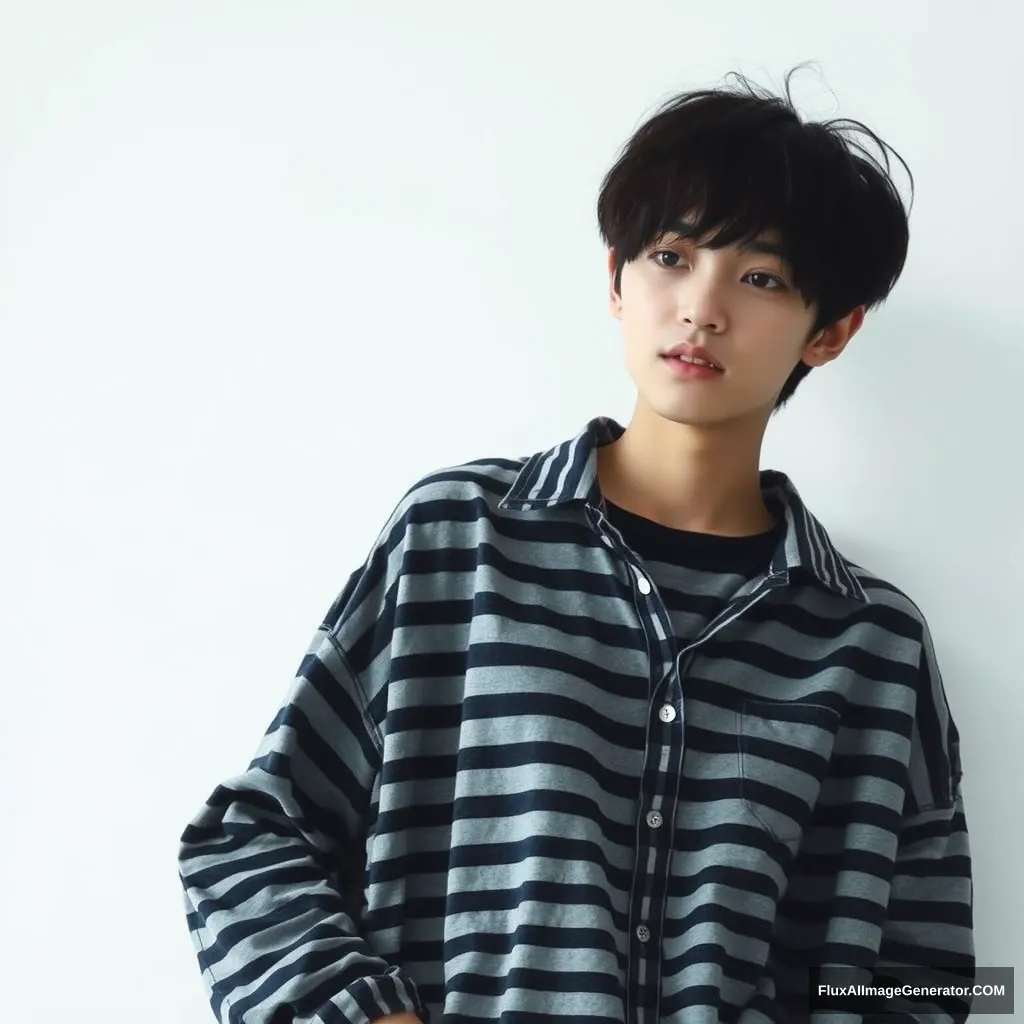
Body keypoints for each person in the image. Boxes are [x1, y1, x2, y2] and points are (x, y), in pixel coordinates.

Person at [178, 66, 974, 1023]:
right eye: (673, 257)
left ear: (831, 332)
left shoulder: (873, 644)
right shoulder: (460, 540)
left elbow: (933, 973)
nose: (702, 307)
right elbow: (250, 833)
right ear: (615, 278)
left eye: (760, 277)